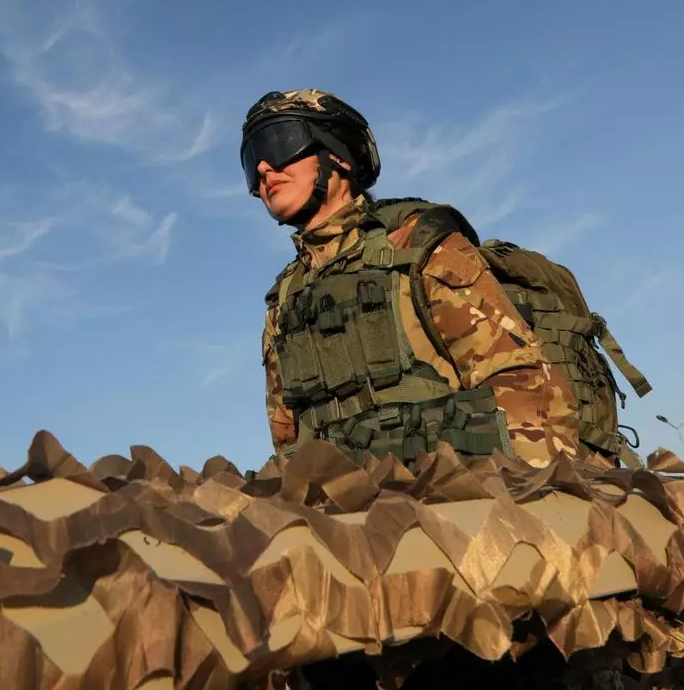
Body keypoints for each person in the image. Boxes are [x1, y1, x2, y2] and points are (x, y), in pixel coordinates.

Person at [240, 88, 583, 468]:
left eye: (279, 142)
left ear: (337, 154)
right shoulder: (285, 300)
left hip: (458, 498)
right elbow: (286, 440)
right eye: (251, 159)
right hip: (348, 511)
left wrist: (525, 495)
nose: (263, 169)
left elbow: (519, 381)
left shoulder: (418, 247)